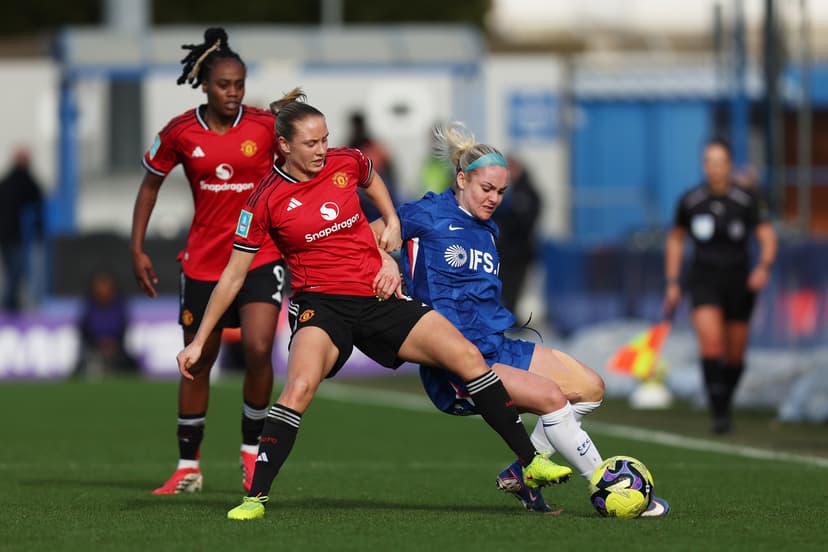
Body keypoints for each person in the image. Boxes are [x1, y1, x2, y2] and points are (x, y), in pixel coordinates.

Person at [176, 90, 575, 521]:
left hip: (378, 297)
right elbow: (233, 276)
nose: (321, 150)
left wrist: (393, 223)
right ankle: (254, 499)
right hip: (323, 307)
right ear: (285, 145)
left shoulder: (345, 161)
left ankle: (530, 463)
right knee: (300, 388)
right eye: (310, 143)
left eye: (324, 139)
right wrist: (199, 341)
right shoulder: (264, 200)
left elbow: (370, 177)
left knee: (466, 355)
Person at [374, 122, 669, 517]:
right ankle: (609, 488)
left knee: (591, 388)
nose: (494, 198)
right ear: (461, 179)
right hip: (456, 363)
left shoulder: (487, 230)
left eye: (501, 191)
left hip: (497, 346)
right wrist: (383, 262)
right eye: (486, 189)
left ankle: (522, 474)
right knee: (551, 397)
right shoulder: (425, 213)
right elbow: (365, 235)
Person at [131, 28, 287, 495]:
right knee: (197, 362)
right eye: (224, 85)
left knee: (260, 348)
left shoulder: (264, 126)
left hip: (260, 257)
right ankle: (188, 467)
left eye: (239, 84)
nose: (233, 93)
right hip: (203, 263)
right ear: (204, 84)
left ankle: (250, 454)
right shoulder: (180, 132)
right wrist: (136, 247)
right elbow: (149, 187)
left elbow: (301, 165)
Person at [663, 138, 777, 434]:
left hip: (739, 283)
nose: (715, 168)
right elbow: (676, 239)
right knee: (712, 344)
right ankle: (719, 413)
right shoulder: (691, 200)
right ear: (704, 166)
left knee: (735, 356)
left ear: (729, 164)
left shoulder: (746, 199)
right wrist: (673, 282)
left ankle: (724, 398)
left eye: (720, 162)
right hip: (703, 281)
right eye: (709, 162)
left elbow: (767, 236)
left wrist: (763, 267)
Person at [491, 155, 541, 315]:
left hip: (518, 251)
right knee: (501, 286)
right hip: (503, 251)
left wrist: (504, 227)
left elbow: (525, 222)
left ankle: (510, 316)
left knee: (514, 288)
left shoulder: (527, 192)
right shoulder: (503, 191)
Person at [0, 148, 44, 313]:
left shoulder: (6, 182)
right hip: (14, 236)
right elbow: (38, 194)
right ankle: (11, 305)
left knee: (12, 271)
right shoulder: (22, 181)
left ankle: (10, 303)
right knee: (16, 271)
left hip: (8, 235)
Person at [74, 270, 138, 378]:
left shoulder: (120, 305)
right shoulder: (89, 306)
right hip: (93, 350)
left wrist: (112, 344)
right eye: (100, 285)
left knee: (131, 365)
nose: (103, 288)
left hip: (116, 351)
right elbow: (84, 330)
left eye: (106, 285)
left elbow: (122, 327)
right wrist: (99, 344)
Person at [346, 111, 397, 221]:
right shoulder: (349, 147)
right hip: (360, 192)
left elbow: (388, 165)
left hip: (377, 184)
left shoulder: (373, 145)